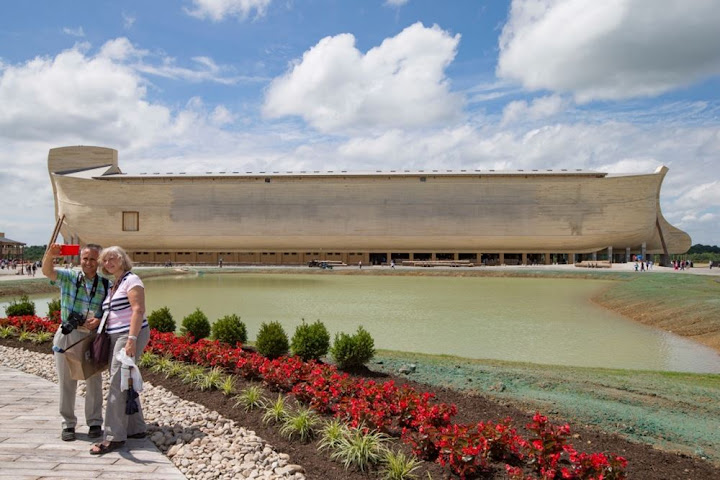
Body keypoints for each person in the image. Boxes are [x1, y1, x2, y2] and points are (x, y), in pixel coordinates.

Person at [42, 243, 109, 442]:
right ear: (80, 259)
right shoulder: (69, 277)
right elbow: (48, 271)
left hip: (91, 337)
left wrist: (99, 319)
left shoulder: (106, 284)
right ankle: (68, 423)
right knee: (66, 381)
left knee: (94, 380)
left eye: (93, 259)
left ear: (99, 261)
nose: (88, 263)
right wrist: (50, 256)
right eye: (85, 258)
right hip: (68, 334)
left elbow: (110, 309)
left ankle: (95, 422)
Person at [90, 246, 150, 455]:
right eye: (105, 261)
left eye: (113, 258)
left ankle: (113, 437)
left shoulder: (132, 280)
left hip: (128, 335)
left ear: (123, 259)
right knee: (125, 380)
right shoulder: (116, 284)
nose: (108, 263)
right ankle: (136, 428)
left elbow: (138, 310)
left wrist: (131, 340)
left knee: (117, 381)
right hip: (116, 336)